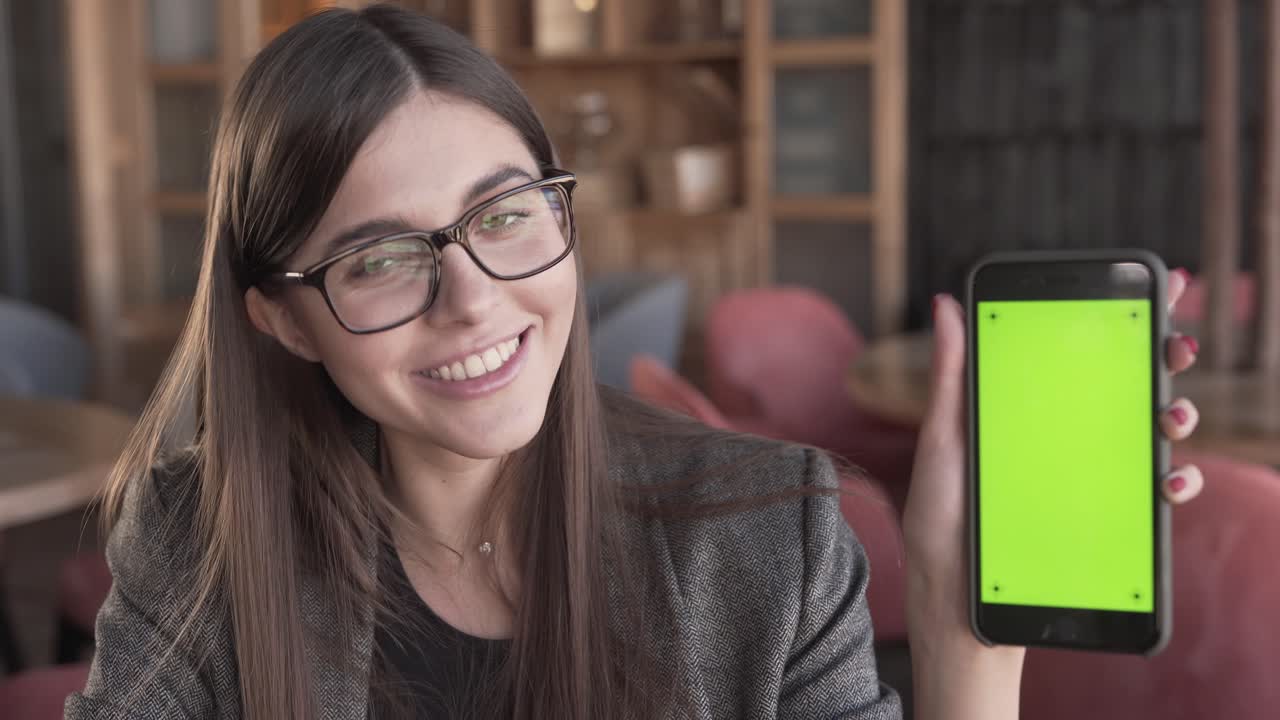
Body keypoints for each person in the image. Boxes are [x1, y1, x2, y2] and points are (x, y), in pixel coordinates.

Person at [65, 5, 1207, 719]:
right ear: (279, 318)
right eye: (379, 258)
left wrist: (963, 641)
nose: (474, 300)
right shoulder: (197, 538)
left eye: (504, 214)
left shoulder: (771, 542)